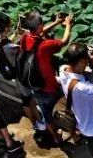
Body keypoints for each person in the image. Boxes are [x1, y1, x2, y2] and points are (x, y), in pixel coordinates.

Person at [19, 11, 72, 144]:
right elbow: (64, 41)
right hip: (50, 86)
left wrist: (56, 22)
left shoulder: (24, 38)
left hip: (35, 86)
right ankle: (74, 132)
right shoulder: (45, 45)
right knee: (69, 100)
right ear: (40, 25)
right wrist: (68, 25)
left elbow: (39, 33)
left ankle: (56, 137)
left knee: (46, 114)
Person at [0, 13, 45, 131]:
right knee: (26, 102)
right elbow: (25, 49)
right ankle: (35, 123)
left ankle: (38, 120)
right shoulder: (9, 47)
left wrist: (17, 33)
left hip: (17, 77)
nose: (11, 25)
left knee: (29, 99)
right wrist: (27, 35)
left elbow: (10, 42)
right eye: (9, 24)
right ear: (6, 28)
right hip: (21, 77)